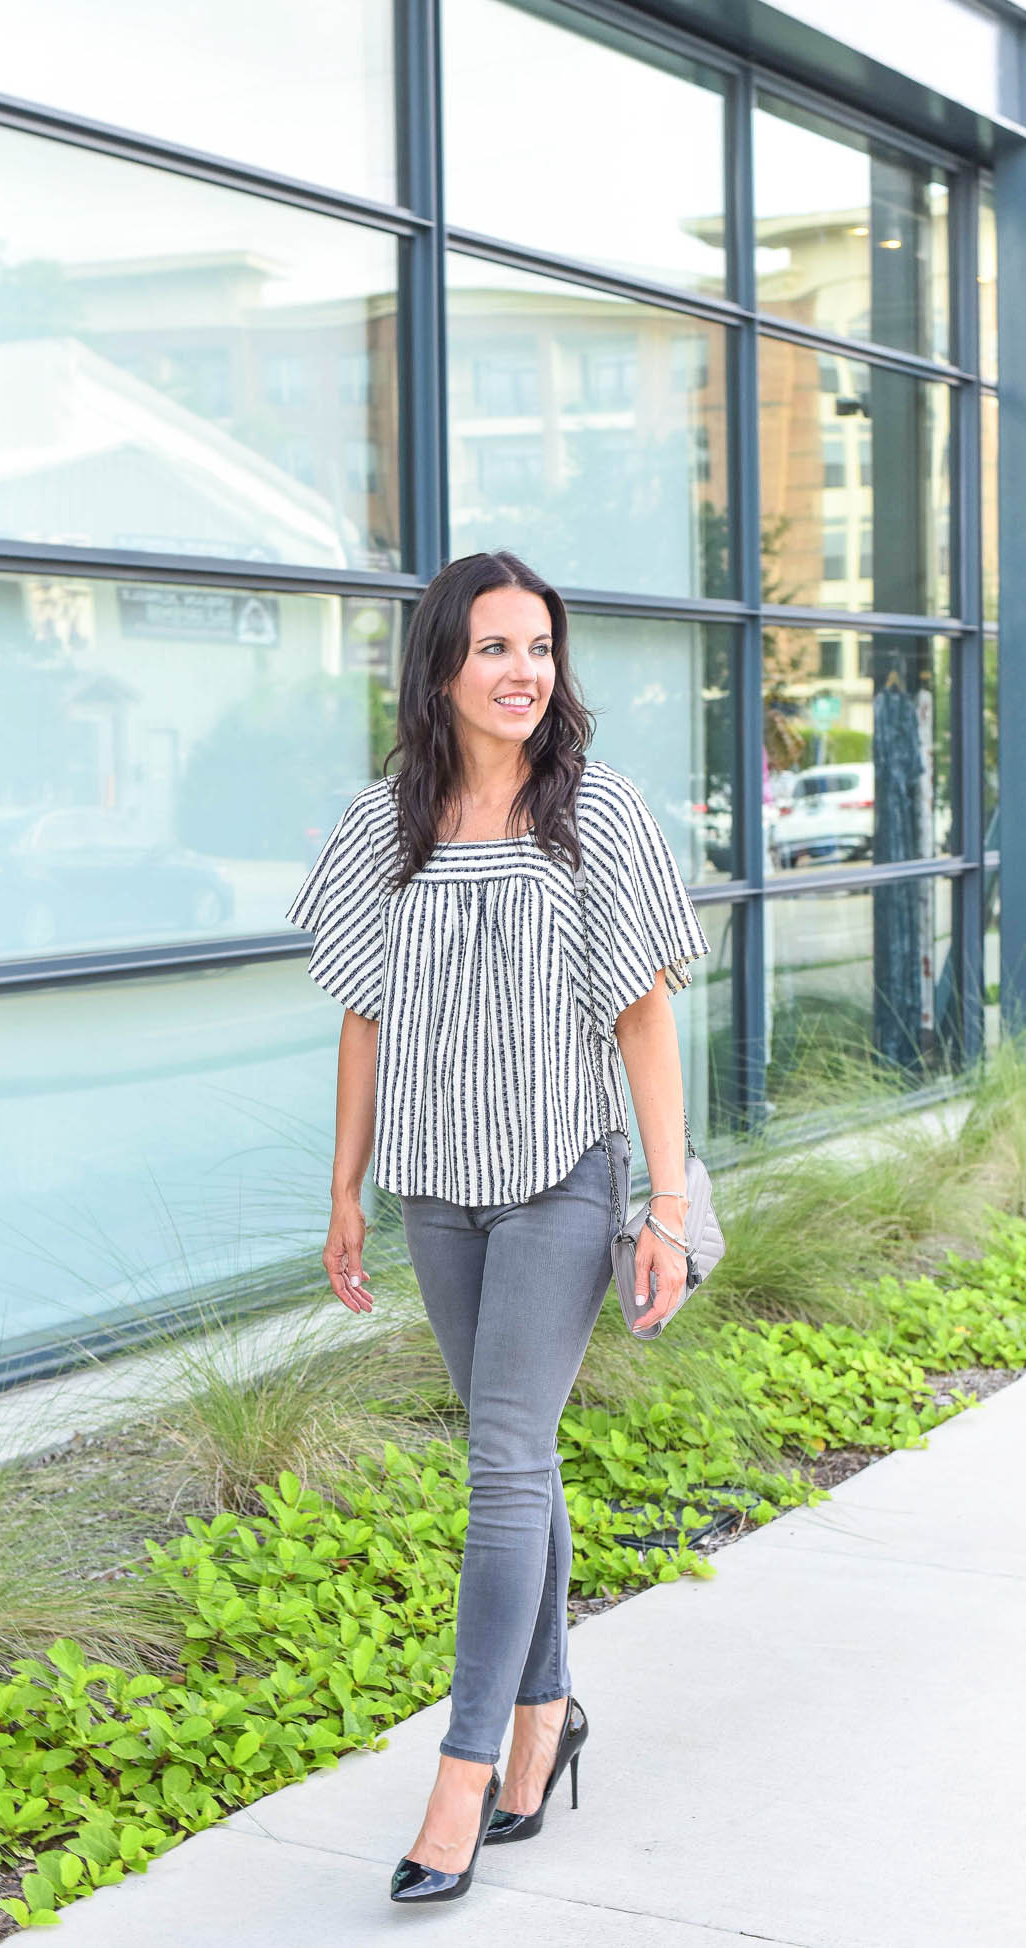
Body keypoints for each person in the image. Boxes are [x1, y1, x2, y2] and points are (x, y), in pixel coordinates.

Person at [284, 550, 710, 1906]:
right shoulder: (382, 827)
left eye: (540, 647)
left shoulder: (600, 814)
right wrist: (347, 1186)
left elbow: (645, 1018)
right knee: (514, 1460)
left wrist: (667, 1200)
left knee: (506, 1467)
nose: (524, 671)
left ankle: (460, 1776)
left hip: (559, 1175)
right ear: (442, 667)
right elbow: (362, 1013)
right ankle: (545, 1721)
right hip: (435, 1188)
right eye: (495, 649)